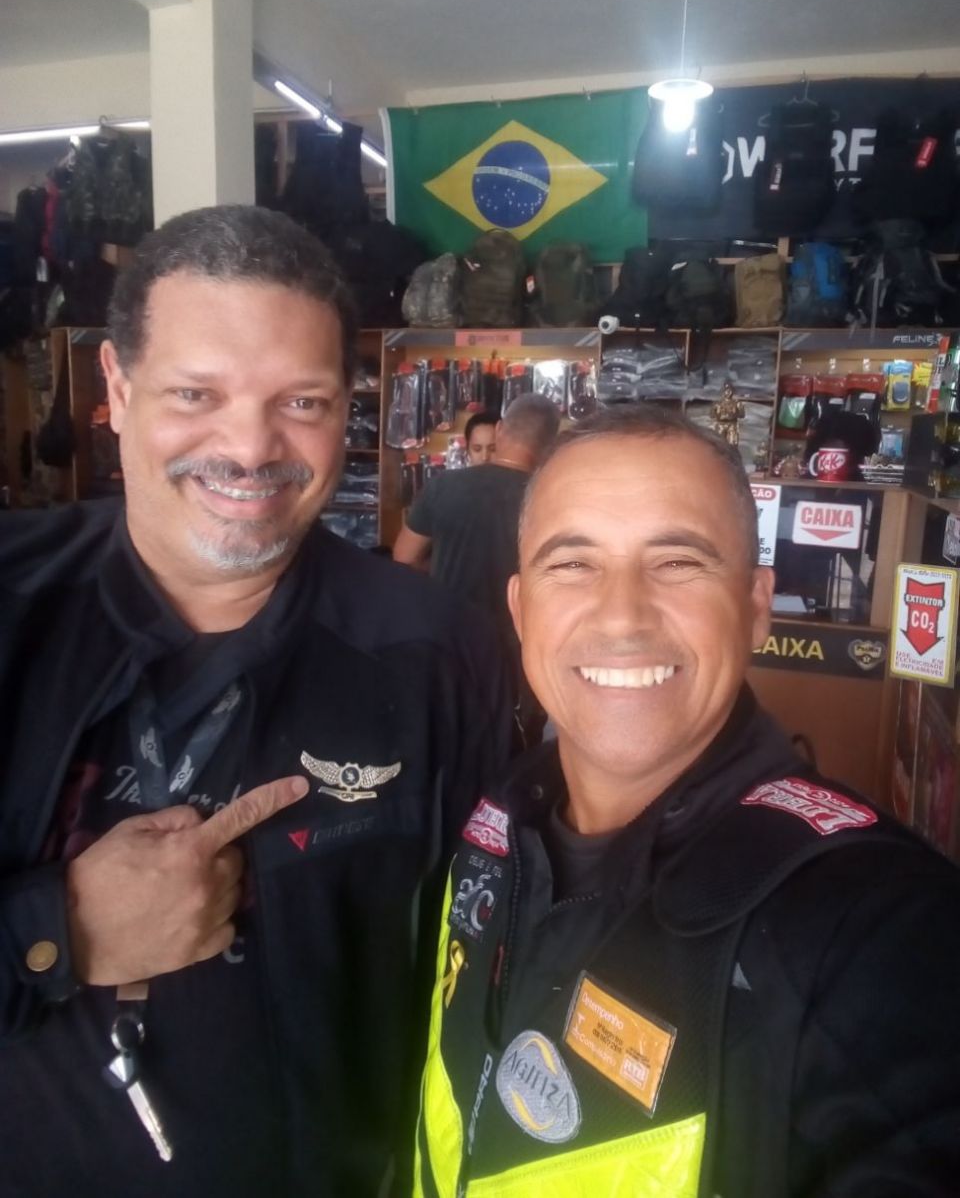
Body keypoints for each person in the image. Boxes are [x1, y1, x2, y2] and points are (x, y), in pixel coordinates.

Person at [0, 205, 511, 1198]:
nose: (248, 446)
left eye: (302, 401)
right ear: (116, 388)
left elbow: (491, 955)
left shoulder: (437, 648)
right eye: (196, 393)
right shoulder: (12, 604)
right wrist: (53, 933)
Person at [414, 404, 960, 1198]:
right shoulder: (496, 823)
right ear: (521, 610)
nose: (622, 616)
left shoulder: (873, 928)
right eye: (573, 564)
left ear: (756, 607)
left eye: (677, 562)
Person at [394, 393, 559, 745]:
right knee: (517, 749)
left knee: (446, 743)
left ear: (499, 430)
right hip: (520, 659)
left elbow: (404, 557)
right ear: (549, 446)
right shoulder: (551, 499)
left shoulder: (444, 486)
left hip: (449, 645)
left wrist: (441, 570)